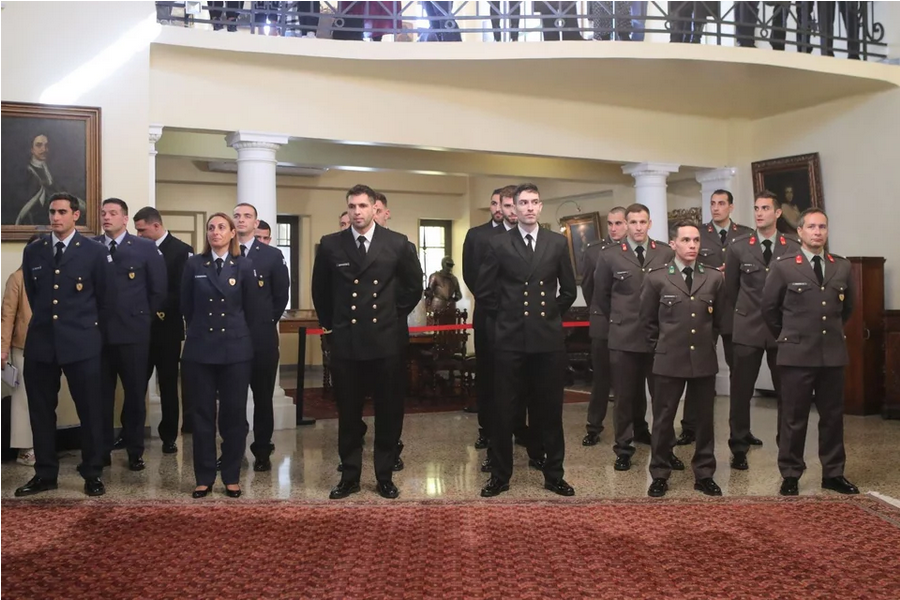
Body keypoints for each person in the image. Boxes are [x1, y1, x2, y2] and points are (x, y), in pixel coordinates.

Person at [312, 185, 423, 500]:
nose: (357, 212)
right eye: (352, 206)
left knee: (388, 412)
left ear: (375, 208)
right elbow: (321, 290)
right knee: (348, 414)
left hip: (386, 341)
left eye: (362, 206)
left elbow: (413, 286)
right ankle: (349, 477)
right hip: (347, 342)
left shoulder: (397, 243)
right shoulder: (332, 244)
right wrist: (333, 326)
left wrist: (391, 314)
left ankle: (384, 476)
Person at [476, 183, 577, 498]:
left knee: (550, 410)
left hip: (547, 339)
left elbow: (568, 290)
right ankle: (500, 475)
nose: (529, 207)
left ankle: (554, 474)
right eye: (523, 203)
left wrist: (547, 315)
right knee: (504, 411)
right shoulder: (498, 243)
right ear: (514, 208)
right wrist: (509, 316)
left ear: (540, 206)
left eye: (534, 202)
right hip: (509, 338)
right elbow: (485, 291)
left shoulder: (556, 242)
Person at [15, 193, 114, 498]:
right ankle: (45, 474)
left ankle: (92, 472)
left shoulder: (94, 251)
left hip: (82, 343)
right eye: (52, 212)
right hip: (42, 343)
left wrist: (91, 335)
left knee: (90, 411)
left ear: (75, 215)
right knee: (41, 411)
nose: (55, 217)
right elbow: (33, 294)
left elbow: (105, 299)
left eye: (61, 212)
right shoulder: (34, 251)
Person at [762, 208, 859, 497]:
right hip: (796, 354)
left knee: (833, 417)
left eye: (822, 227)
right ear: (800, 232)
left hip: (831, 354)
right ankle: (791, 473)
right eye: (812, 227)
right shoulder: (784, 266)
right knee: (794, 417)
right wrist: (790, 336)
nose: (817, 232)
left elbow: (847, 308)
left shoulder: (841, 266)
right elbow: (769, 309)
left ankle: (833, 473)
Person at [641, 220, 725, 498]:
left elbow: (718, 321)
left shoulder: (713, 277)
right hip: (668, 359)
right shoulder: (657, 278)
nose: (692, 245)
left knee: (704, 420)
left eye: (696, 240)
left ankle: (704, 474)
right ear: (673, 244)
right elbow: (647, 321)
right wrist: (661, 348)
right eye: (686, 240)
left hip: (702, 359)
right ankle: (659, 473)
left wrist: (706, 344)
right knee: (663, 419)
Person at [181, 213, 258, 499]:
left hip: (235, 350)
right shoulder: (194, 264)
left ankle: (231, 476)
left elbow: (252, 309)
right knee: (201, 416)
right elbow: (186, 305)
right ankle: (203, 477)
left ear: (232, 233)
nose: (215, 232)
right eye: (211, 228)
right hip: (200, 349)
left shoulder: (244, 265)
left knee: (233, 416)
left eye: (221, 227)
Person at [595, 203, 674, 471]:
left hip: (657, 337)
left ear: (649, 224)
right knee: (624, 398)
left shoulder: (664, 252)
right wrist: (620, 319)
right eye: (633, 222)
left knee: (662, 397)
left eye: (643, 222)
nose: (638, 227)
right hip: (624, 336)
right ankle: (623, 449)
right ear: (626, 224)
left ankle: (664, 448)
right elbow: (602, 296)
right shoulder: (610, 255)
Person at [725, 191, 800, 470]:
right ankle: (739, 447)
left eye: (765, 208)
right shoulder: (738, 247)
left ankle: (787, 450)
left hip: (782, 329)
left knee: (787, 393)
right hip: (748, 327)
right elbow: (731, 289)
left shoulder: (792, 246)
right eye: (756, 208)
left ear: (778, 213)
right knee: (740, 392)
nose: (759, 213)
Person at [95, 198, 167, 471]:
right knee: (100, 397)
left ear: (125, 219)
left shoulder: (144, 247)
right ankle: (101, 451)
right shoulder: (92, 247)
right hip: (99, 335)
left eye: (113, 213)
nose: (106, 217)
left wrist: (142, 318)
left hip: (133, 334)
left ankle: (135, 451)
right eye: (103, 213)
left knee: (135, 396)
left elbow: (158, 289)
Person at [678, 189, 753, 446]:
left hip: (733, 309)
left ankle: (741, 430)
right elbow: (688, 265)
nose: (716, 207)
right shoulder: (698, 234)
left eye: (721, 203)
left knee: (739, 373)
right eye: (713, 203)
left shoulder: (745, 235)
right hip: (702, 307)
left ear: (731, 207)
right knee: (696, 368)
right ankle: (690, 426)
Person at [233, 203, 290, 472]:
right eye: (237, 216)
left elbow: (280, 296)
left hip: (261, 339)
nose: (241, 220)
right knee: (232, 399)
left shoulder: (271, 256)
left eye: (247, 216)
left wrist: (263, 321)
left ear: (256, 223)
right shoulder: (224, 252)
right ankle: (233, 449)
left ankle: (263, 451)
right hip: (231, 339)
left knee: (263, 398)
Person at [133, 206, 194, 452]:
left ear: (156, 226)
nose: (138, 235)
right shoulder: (136, 249)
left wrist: (153, 307)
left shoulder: (181, 251)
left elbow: (182, 291)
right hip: (140, 330)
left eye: (142, 230)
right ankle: (131, 435)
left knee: (168, 385)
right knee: (135, 385)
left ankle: (169, 436)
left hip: (167, 328)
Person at [461, 187, 509, 465]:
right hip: (487, 314)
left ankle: (516, 427)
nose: (498, 209)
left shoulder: (518, 234)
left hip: (515, 316)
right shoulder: (477, 235)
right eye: (493, 203)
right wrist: (490, 299)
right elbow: (470, 274)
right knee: (487, 374)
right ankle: (486, 429)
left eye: (502, 204)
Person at [580, 206, 627, 447]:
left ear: (627, 224)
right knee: (601, 378)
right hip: (602, 322)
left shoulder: (633, 250)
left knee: (629, 380)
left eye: (618, 223)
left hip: (629, 323)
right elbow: (589, 288)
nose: (614, 228)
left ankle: (636, 427)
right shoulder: (594, 251)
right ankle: (593, 426)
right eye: (610, 223)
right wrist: (602, 312)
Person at [1, 234, 40, 466]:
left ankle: (42, 444)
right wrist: (3, 349)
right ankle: (25, 449)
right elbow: (7, 316)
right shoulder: (17, 278)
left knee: (44, 398)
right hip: (22, 346)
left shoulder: (53, 276)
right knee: (23, 398)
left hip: (50, 346)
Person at [12, 134, 69, 227]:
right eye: (39, 145)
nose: (44, 149)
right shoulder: (24, 172)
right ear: (31, 149)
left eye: (46, 146)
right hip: (31, 221)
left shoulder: (53, 171)